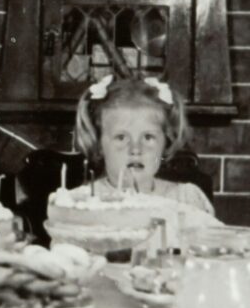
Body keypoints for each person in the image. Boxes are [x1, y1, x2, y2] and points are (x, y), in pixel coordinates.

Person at [73, 74, 215, 214]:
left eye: (148, 137)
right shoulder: (81, 203)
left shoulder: (186, 199)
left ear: (166, 142)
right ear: (98, 144)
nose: (135, 149)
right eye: (121, 137)